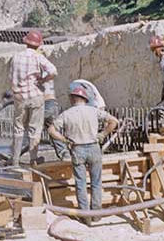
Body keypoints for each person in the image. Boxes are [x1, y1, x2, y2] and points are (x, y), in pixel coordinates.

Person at [48, 87, 117, 221]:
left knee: (81, 184)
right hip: (94, 147)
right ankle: (96, 214)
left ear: (72, 99)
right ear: (86, 99)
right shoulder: (94, 111)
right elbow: (114, 121)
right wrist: (102, 134)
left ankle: (85, 217)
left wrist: (64, 139)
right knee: (96, 183)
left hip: (77, 148)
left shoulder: (67, 114)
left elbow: (51, 130)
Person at [9, 29, 57, 166]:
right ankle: (33, 160)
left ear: (26, 42)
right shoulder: (38, 57)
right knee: (34, 128)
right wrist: (42, 80)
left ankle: (15, 161)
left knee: (18, 128)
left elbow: (11, 77)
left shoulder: (16, 57)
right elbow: (54, 71)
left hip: (19, 97)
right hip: (36, 96)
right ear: (38, 45)